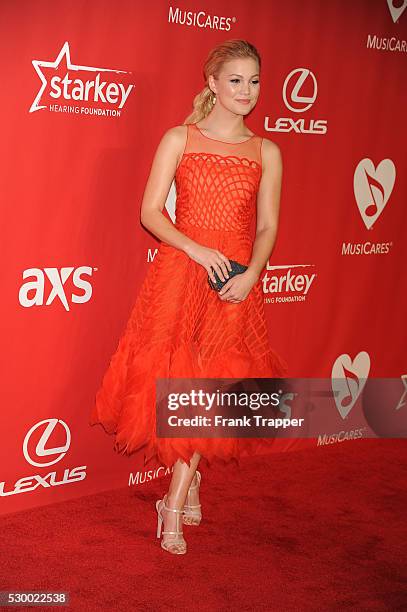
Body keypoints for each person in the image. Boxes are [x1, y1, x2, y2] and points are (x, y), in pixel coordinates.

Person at [90, 39, 288, 555]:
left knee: (214, 390)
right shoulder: (180, 138)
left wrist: (253, 274)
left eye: (255, 81)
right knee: (185, 383)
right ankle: (184, 490)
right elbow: (150, 213)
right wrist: (196, 249)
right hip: (182, 273)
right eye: (237, 80)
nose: (247, 91)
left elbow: (268, 225)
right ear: (213, 85)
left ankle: (172, 502)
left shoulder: (267, 150)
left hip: (236, 283)